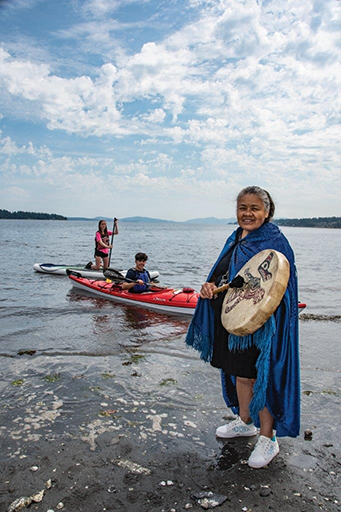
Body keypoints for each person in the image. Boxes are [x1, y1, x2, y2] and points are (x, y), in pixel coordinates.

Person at [186, 186, 300, 469]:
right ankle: (245, 422)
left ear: (267, 211)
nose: (247, 214)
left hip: (262, 325)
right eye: (242, 208)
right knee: (239, 374)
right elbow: (224, 273)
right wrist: (209, 286)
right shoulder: (236, 237)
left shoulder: (274, 240)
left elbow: (282, 284)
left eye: (254, 208)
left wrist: (261, 310)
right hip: (234, 318)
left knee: (261, 376)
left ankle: (268, 438)